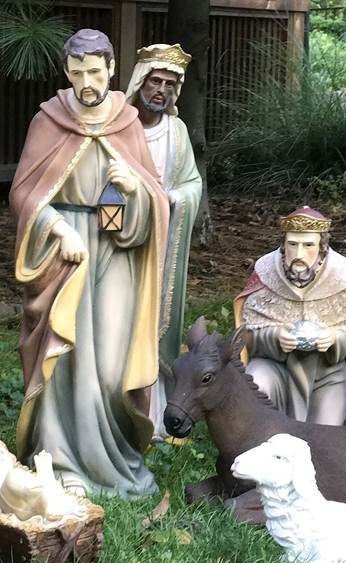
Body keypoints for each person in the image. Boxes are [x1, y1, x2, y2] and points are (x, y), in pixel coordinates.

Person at [9, 29, 170, 498]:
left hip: (116, 251)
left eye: (95, 72)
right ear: (66, 72)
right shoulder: (49, 120)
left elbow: (156, 196)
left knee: (112, 364)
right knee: (65, 354)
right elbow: (24, 194)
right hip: (66, 252)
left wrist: (135, 189)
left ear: (112, 70)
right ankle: (60, 461)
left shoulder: (128, 121)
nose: (87, 82)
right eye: (77, 73)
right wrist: (58, 228)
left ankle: (113, 456)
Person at [123, 43, 203, 435]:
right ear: (141, 81)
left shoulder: (177, 131)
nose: (161, 90)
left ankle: (153, 415)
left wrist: (172, 198)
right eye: (155, 81)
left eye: (169, 84)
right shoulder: (120, 125)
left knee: (154, 322)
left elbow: (191, 183)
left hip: (163, 241)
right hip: (121, 238)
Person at [235, 206, 346, 425]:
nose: (299, 254)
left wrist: (335, 338)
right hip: (276, 368)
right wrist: (274, 336)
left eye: (308, 245)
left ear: (322, 247)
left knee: (326, 435)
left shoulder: (344, 276)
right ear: (284, 245)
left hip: (326, 374)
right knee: (256, 383)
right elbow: (244, 335)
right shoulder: (265, 273)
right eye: (293, 244)